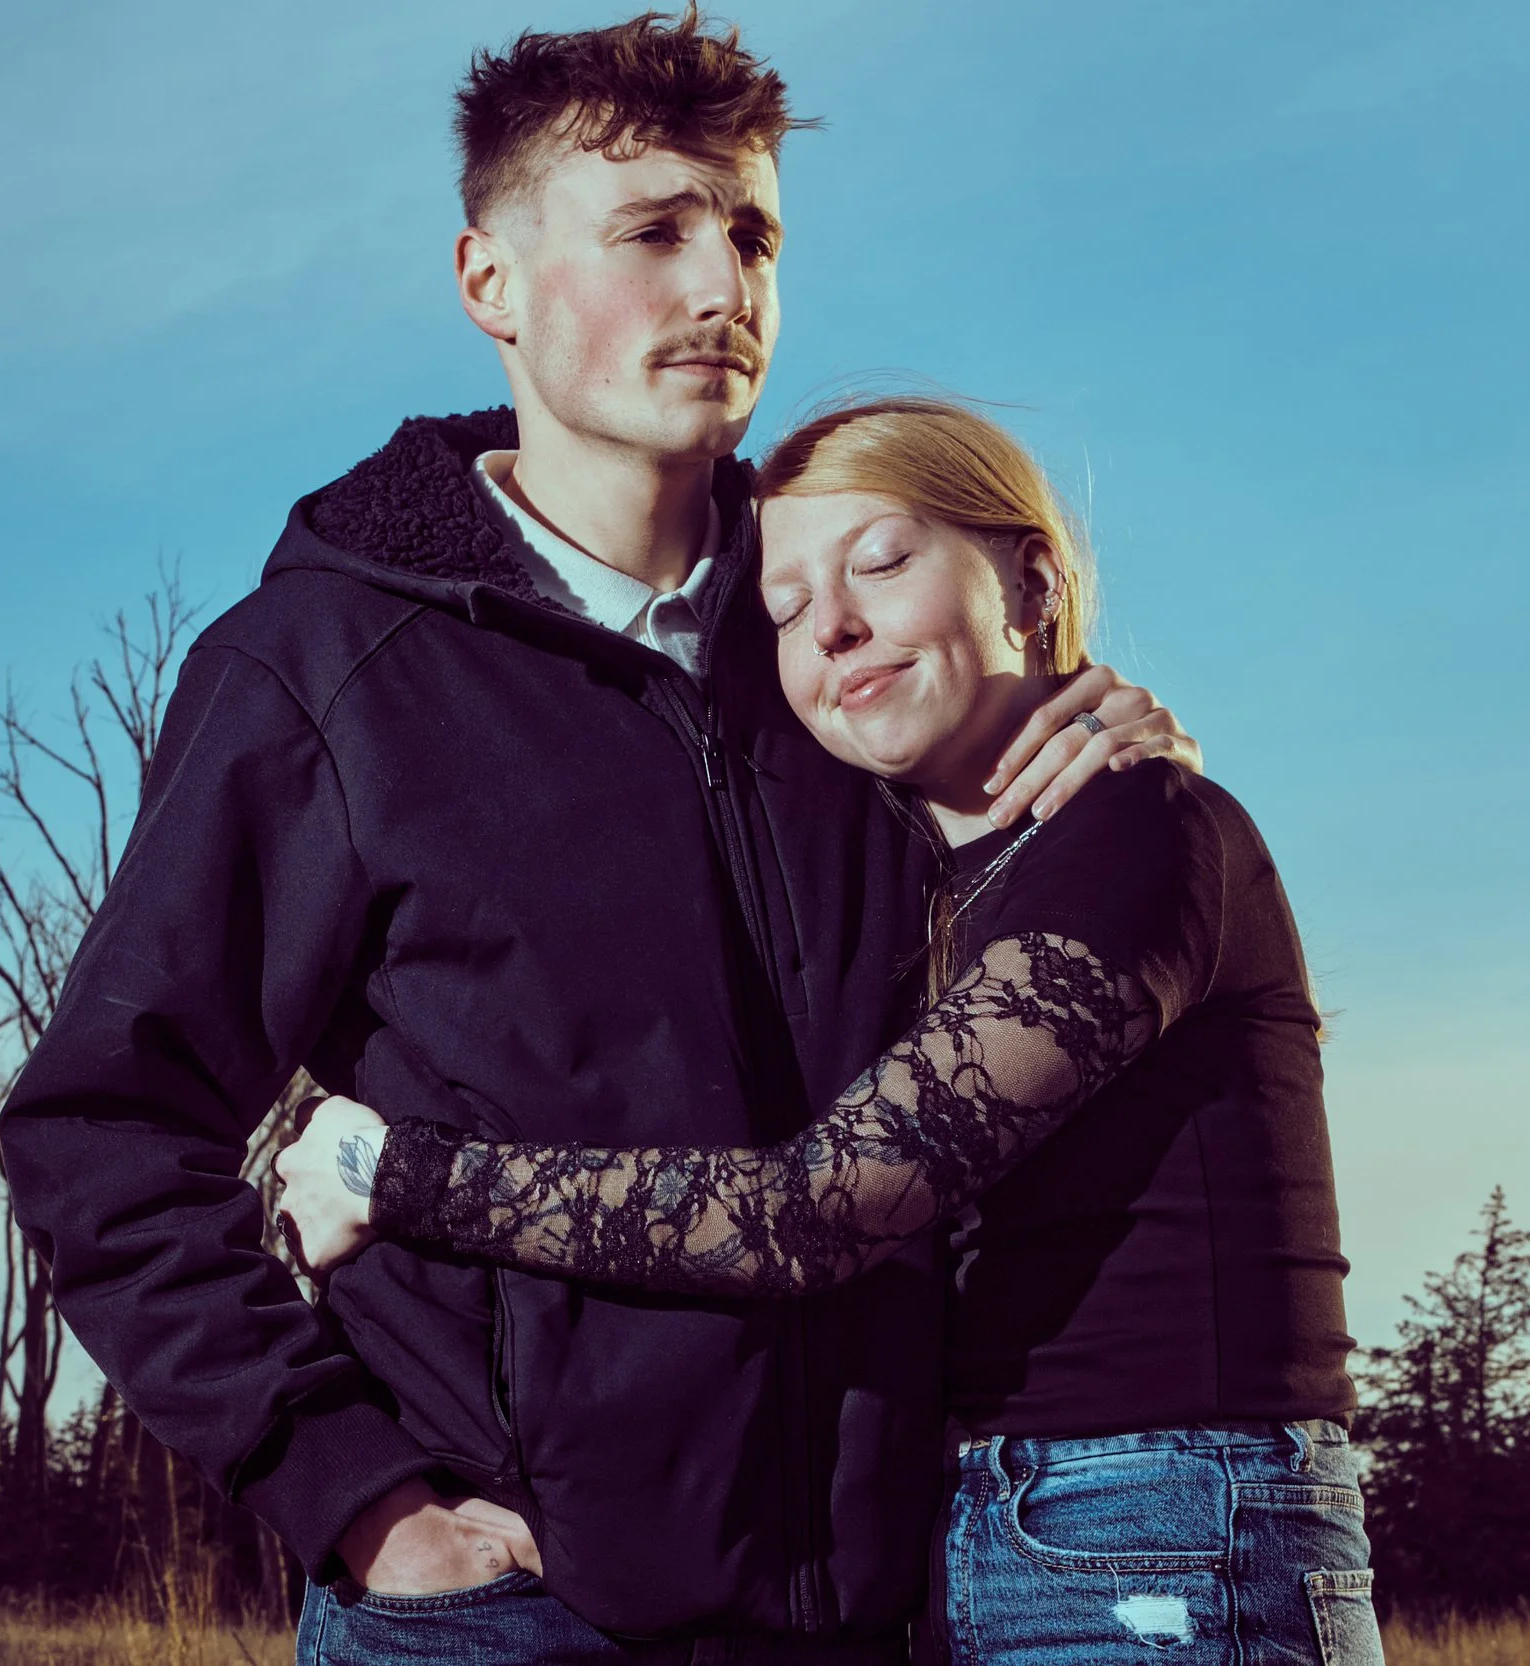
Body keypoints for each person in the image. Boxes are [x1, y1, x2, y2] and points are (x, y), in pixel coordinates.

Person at [0, 13, 1195, 1666]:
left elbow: (1039, 916)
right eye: (653, 230)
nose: (722, 286)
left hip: (878, 1606)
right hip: (507, 1608)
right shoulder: (325, 673)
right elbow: (103, 1130)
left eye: (752, 232)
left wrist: (1093, 721)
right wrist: (357, 1497)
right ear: (489, 280)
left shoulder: (846, 652)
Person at [279, 396, 1385, 1666]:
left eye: (881, 559)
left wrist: (397, 1171)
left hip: (1161, 1524)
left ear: (1029, 576)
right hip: (983, 1532)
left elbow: (812, 1212)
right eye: (787, 608)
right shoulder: (917, 873)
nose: (835, 624)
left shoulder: (1136, 828)